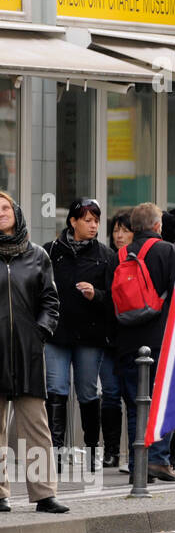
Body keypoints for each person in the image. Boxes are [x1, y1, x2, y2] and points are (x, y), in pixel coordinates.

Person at [0, 191, 67, 514]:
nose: (1, 213)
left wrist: (40, 332)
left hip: (28, 353)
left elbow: (50, 302)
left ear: (16, 211)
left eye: (4, 207)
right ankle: (0, 494)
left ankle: (44, 494)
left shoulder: (37, 255)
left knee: (35, 428)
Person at [43, 198, 114, 474]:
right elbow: (41, 291)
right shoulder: (50, 251)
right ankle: (56, 454)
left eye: (96, 220)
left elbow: (113, 299)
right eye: (88, 220)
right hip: (57, 334)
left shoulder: (106, 255)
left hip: (89, 336)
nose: (94, 225)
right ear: (73, 222)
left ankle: (92, 450)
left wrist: (96, 294)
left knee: (87, 391)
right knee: (57, 390)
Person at [112, 202, 175, 482]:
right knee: (162, 401)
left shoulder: (118, 256)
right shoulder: (168, 251)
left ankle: (137, 466)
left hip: (128, 341)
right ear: (157, 226)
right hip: (160, 340)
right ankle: (158, 460)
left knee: (135, 406)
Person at [102, 210, 132, 470]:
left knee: (133, 396)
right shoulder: (108, 258)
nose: (119, 235)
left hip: (132, 339)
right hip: (109, 339)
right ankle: (112, 450)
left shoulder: (139, 259)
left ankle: (135, 454)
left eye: (124, 230)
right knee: (110, 395)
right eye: (115, 231)